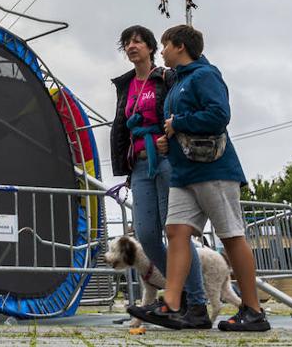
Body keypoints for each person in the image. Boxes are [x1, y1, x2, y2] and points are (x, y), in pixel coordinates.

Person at [129, 25, 270, 333]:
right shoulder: (178, 81)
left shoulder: (205, 76)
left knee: (231, 235)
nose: (162, 51)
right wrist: (168, 138)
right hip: (183, 171)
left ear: (180, 46)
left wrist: (179, 122)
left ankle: (253, 310)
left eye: (165, 45)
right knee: (176, 231)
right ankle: (175, 305)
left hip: (213, 169)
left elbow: (219, 115)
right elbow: (175, 127)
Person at [111, 25, 212, 328]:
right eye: (127, 42)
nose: (132, 46)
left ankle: (195, 302)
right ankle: (176, 298)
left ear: (152, 47)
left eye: (138, 41)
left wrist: (172, 137)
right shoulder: (126, 85)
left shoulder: (166, 77)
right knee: (147, 235)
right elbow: (122, 127)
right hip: (139, 164)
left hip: (167, 160)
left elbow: (179, 110)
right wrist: (125, 166)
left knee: (175, 234)